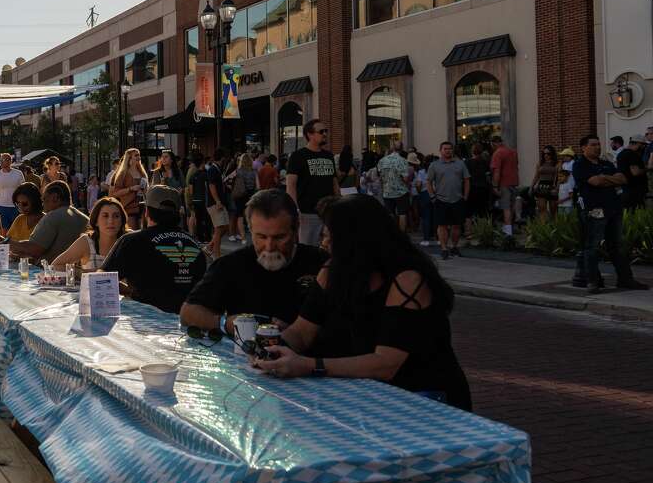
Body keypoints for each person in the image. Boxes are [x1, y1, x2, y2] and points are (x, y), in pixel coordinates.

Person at [255, 195, 473, 412]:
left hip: (425, 399)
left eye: (332, 238)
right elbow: (302, 332)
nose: (324, 244)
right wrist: (271, 348)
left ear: (356, 242)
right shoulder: (333, 271)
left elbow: (386, 363)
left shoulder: (407, 280)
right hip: (372, 396)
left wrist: (309, 365)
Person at [181, 189, 328, 331]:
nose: (269, 247)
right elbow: (188, 313)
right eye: (262, 237)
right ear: (250, 230)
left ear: (296, 229)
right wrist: (225, 324)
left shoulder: (321, 263)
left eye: (279, 237)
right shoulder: (231, 265)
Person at [102, 186, 206, 314]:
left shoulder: (132, 241)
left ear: (146, 212)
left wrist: (129, 291)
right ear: (178, 214)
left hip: (145, 323)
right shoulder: (194, 244)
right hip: (185, 323)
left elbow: (100, 282)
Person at [573, 135, 647, 292]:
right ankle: (592, 281)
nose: (597, 147)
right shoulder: (580, 165)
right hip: (594, 210)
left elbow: (623, 179)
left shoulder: (606, 163)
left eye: (599, 144)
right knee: (592, 246)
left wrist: (603, 178)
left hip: (613, 208)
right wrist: (607, 179)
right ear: (583, 147)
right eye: (593, 145)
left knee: (618, 246)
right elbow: (595, 182)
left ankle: (626, 280)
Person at [286, 119, 339, 245]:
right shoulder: (298, 156)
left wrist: (339, 203)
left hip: (329, 212)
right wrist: (295, 210)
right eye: (321, 131)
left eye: (326, 131)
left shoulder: (329, 155)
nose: (325, 134)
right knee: (309, 249)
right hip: (308, 213)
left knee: (331, 247)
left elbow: (334, 182)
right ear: (310, 135)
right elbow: (291, 185)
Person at [9, 180, 88, 263]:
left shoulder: (53, 216)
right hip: (77, 272)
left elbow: (34, 250)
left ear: (55, 197)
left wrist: (7, 243)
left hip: (53, 272)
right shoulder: (85, 219)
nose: (42, 204)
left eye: (44, 199)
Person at [52, 196, 128, 270]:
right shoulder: (87, 242)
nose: (111, 221)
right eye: (105, 216)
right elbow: (55, 266)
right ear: (96, 221)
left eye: (116, 216)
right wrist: (84, 273)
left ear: (122, 221)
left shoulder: (129, 240)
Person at [428, 141, 470, 260]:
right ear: (440, 151)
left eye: (450, 149)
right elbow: (428, 181)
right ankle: (444, 249)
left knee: (456, 226)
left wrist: (465, 196)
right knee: (442, 225)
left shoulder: (460, 164)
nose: (448, 151)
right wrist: (432, 196)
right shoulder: (434, 165)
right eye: (445, 149)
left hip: (457, 199)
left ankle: (454, 247)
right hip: (441, 199)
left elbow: (467, 180)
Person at [376, 142, 413, 234]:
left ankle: (391, 234)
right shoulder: (403, 161)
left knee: (390, 214)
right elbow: (405, 178)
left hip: (387, 192)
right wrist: (409, 183)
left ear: (391, 149)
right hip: (401, 192)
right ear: (401, 148)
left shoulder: (382, 160)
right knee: (402, 213)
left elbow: (380, 178)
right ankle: (401, 235)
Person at [109, 148, 148, 228]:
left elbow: (146, 190)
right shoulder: (122, 174)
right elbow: (115, 193)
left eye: (139, 155)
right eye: (136, 155)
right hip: (128, 208)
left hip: (142, 207)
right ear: (129, 157)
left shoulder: (142, 172)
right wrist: (131, 188)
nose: (139, 157)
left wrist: (145, 190)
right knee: (132, 233)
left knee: (142, 232)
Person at [490, 136, 520, 237]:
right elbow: (516, 166)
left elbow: (496, 171)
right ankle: (509, 228)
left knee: (505, 207)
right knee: (511, 207)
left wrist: (494, 186)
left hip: (504, 183)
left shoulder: (497, 153)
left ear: (493, 143)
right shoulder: (513, 152)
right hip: (514, 182)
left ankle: (508, 233)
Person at [227, 152, 260, 244]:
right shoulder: (254, 171)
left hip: (240, 195)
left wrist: (232, 188)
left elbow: (226, 180)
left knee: (240, 216)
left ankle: (243, 238)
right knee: (250, 215)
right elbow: (258, 186)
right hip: (251, 195)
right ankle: (254, 236)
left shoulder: (238, 171)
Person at [203, 148, 230, 258]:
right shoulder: (213, 170)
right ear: (222, 158)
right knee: (219, 229)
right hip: (215, 203)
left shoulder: (216, 169)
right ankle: (216, 255)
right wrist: (218, 201)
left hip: (218, 203)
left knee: (225, 227)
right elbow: (211, 186)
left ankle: (209, 247)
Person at [0, 153, 25, 230]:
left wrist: (23, 205)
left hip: (16, 207)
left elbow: (23, 191)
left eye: (3, 160)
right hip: (1, 207)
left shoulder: (18, 174)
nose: (1, 162)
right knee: (3, 231)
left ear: (10, 161)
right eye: (0, 160)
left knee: (16, 230)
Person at [616, 136, 648, 212]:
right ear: (636, 144)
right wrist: (648, 169)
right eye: (643, 145)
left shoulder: (621, 153)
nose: (644, 147)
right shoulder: (632, 154)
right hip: (635, 191)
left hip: (626, 189)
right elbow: (635, 172)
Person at [530, 145, 561, 220]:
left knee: (553, 209)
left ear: (552, 154)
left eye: (548, 154)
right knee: (541, 208)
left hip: (552, 186)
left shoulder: (557, 163)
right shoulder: (540, 163)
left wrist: (557, 188)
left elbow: (558, 177)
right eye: (544, 153)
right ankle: (543, 228)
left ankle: (555, 226)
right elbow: (536, 176)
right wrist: (531, 186)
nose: (546, 155)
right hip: (541, 186)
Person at [464, 143, 492, 222]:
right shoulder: (485, 162)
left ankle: (468, 231)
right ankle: (482, 230)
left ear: (472, 151)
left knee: (468, 213)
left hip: (471, 189)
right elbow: (488, 176)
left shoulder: (467, 162)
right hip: (483, 189)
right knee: (483, 212)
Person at [556, 147, 577, 214]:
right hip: (565, 184)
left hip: (571, 185)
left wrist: (560, 164)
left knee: (571, 200)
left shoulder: (572, 163)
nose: (562, 157)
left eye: (564, 156)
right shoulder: (564, 164)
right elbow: (559, 172)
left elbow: (564, 172)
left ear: (569, 156)